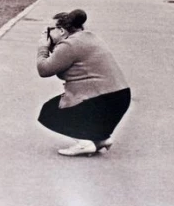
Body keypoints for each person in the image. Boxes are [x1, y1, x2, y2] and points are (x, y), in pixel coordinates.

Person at [36, 9, 131, 156]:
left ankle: (84, 143)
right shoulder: (89, 37)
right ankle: (101, 139)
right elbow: (64, 71)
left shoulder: (69, 45)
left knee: (49, 112)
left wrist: (43, 48)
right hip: (119, 98)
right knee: (70, 105)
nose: (46, 33)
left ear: (61, 30)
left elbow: (44, 70)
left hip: (103, 100)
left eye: (49, 30)